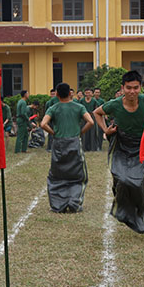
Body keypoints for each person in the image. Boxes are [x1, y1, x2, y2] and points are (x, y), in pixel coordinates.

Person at [94, 70, 144, 233]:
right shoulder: (115, 104)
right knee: (121, 178)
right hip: (121, 145)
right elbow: (97, 112)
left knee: (137, 183)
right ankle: (122, 210)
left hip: (141, 147)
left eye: (136, 88)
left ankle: (139, 215)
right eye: (128, 88)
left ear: (140, 88)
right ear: (123, 88)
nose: (132, 91)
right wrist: (105, 130)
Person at [41, 82, 94, 213]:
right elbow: (91, 122)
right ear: (70, 93)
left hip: (59, 143)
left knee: (56, 175)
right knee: (78, 175)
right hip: (74, 142)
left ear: (57, 94)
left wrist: (53, 133)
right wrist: (81, 132)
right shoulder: (79, 107)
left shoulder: (53, 108)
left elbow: (43, 124)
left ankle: (58, 205)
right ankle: (75, 203)